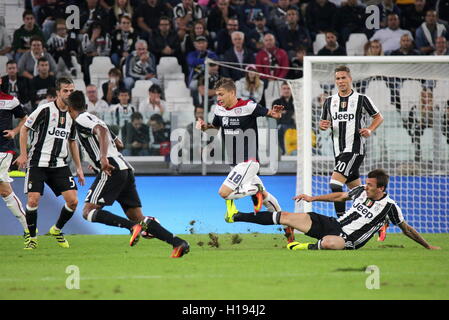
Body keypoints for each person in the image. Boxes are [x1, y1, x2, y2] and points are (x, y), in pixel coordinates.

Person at [66, 90, 189, 257]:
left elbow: (101, 131)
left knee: (88, 211)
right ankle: (178, 243)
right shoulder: (95, 117)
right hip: (124, 169)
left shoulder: (81, 119)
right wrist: (98, 158)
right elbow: (120, 143)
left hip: (112, 170)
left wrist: (102, 158)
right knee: (138, 217)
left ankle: (131, 227)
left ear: (69, 108)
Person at [225, 169, 441, 251]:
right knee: (286, 217)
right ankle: (236, 216)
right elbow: (340, 196)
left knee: (330, 243)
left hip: (349, 240)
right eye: (366, 183)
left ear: (381, 188)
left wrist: (427, 245)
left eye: (370, 185)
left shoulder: (390, 207)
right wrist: (312, 197)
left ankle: (301, 247)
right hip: (333, 224)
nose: (366, 186)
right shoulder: (361, 192)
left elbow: (406, 229)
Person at [196, 78, 295, 243]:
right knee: (266, 198)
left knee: (224, 193)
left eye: (221, 94)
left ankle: (254, 189)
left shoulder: (248, 106)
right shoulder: (219, 110)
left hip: (248, 161)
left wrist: (275, 114)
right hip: (235, 164)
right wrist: (204, 127)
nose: (218, 98)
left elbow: (270, 113)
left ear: (232, 93)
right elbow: (214, 129)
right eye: (217, 95)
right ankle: (287, 226)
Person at [14, 77, 85, 250]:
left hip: (59, 164)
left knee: (73, 201)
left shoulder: (72, 115)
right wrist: (23, 154)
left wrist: (79, 168)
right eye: (65, 91)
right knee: (33, 200)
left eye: (71, 91)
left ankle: (56, 230)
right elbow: (24, 129)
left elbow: (72, 141)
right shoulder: (44, 109)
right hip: (38, 162)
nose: (69, 94)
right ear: (58, 92)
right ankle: (32, 238)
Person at [319, 65, 385, 237]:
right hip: (338, 152)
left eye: (343, 78)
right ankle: (380, 221)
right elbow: (324, 123)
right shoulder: (329, 101)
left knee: (335, 184)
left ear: (350, 79)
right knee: (361, 194)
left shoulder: (361, 99)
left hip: (354, 150)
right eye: (338, 79)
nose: (341, 81)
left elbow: (378, 117)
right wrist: (323, 125)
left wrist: (369, 129)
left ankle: (340, 225)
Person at [0, 77, 29, 241]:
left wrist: (14, 131)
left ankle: (28, 227)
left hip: (2, 150)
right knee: (4, 191)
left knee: (4, 190)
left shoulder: (10, 101)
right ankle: (28, 227)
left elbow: (26, 119)